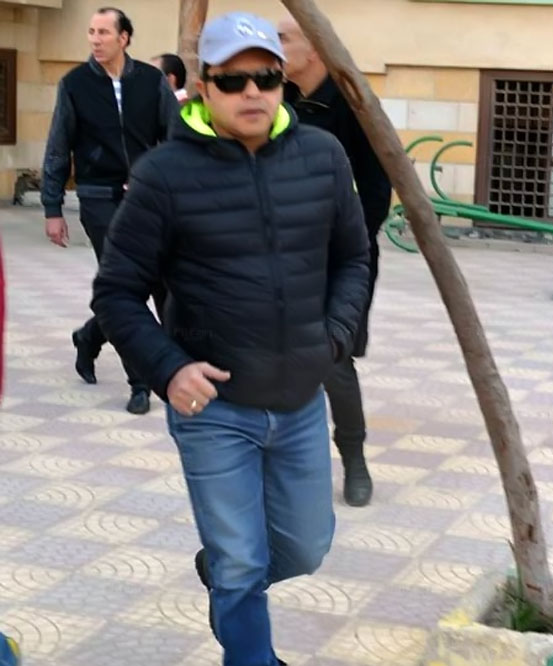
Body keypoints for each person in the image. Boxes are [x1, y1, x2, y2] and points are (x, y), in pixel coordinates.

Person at [92, 11, 369, 665]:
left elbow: (354, 257)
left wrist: (334, 336)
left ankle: (221, 570)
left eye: (266, 78)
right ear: (205, 87)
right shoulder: (164, 174)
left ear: (281, 83)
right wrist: (168, 369)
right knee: (243, 563)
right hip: (214, 410)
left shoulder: (323, 157)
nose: (252, 92)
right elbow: (116, 293)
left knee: (304, 548)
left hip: (300, 402)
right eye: (233, 80)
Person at [277, 15, 392, 507]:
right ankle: (286, 463)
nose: (273, 47)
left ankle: (354, 459)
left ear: (314, 49)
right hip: (280, 257)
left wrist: (341, 248)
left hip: (340, 259)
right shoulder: (276, 99)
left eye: (283, 39)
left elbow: (376, 193)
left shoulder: (354, 105)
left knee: (333, 361)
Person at [41, 6, 178, 415]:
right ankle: (141, 383)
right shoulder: (75, 84)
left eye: (103, 32)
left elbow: (175, 138)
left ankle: (90, 336)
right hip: (98, 196)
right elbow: (58, 145)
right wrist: (52, 207)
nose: (95, 39)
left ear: (124, 38)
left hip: (148, 199)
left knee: (162, 283)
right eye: (91, 32)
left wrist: (159, 179)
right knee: (126, 286)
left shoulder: (151, 81)